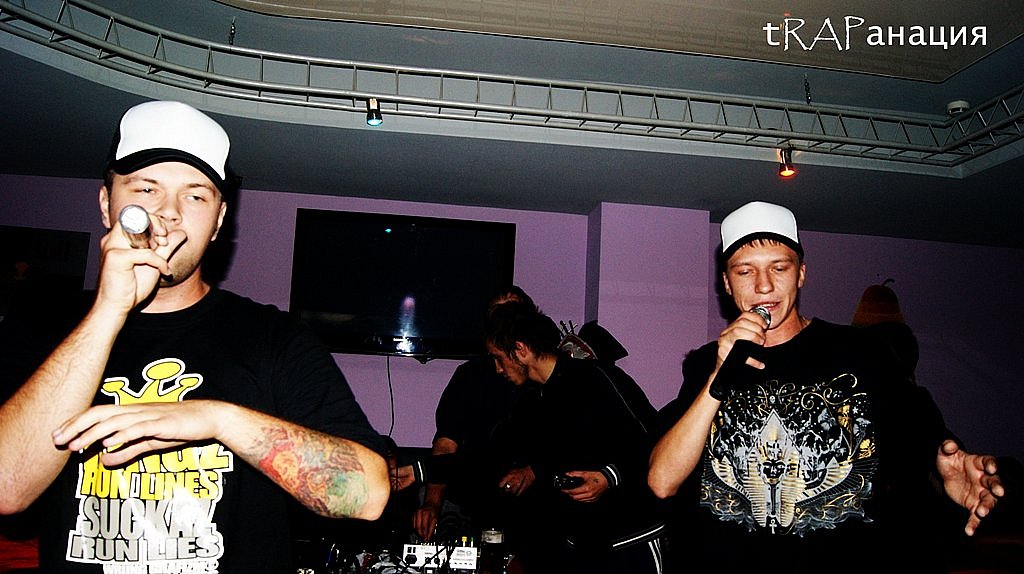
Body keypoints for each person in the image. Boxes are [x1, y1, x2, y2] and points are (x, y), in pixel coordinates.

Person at [0, 100, 390, 573]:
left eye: (195, 196)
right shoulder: (41, 325)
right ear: (107, 204)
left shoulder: (275, 339)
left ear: (219, 220)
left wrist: (216, 419)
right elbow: (6, 488)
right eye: (146, 188)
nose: (168, 213)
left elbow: (367, 496)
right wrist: (108, 310)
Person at [648, 201, 1004, 573]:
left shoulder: (862, 352)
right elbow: (662, 481)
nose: (764, 285)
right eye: (745, 271)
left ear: (801, 274)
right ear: (726, 282)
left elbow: (920, 433)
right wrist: (718, 377)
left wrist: (944, 470)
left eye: (779, 268)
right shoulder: (707, 363)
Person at [483, 300, 668, 574]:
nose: (498, 369)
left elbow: (655, 440)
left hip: (630, 542)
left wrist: (608, 476)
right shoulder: (533, 400)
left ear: (520, 349)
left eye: (499, 358)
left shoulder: (595, 378)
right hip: (580, 546)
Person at [395, 287, 542, 561]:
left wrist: (535, 470)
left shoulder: (547, 382)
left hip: (530, 506)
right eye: (498, 315)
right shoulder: (471, 376)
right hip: (471, 498)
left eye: (512, 315)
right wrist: (432, 502)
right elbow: (447, 443)